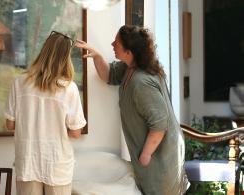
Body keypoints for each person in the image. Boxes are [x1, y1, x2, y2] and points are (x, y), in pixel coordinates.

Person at [76, 25, 188, 195]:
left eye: (117, 42)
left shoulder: (141, 82)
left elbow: (159, 124)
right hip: (152, 157)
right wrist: (96, 55)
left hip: (161, 159)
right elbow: (109, 75)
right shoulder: (130, 68)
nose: (112, 44)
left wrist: (145, 155)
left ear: (129, 51)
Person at [5, 31, 87, 195]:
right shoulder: (68, 88)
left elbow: (10, 124)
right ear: (66, 57)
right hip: (57, 163)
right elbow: (76, 132)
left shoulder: (19, 83)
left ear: (44, 51)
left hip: (27, 161)